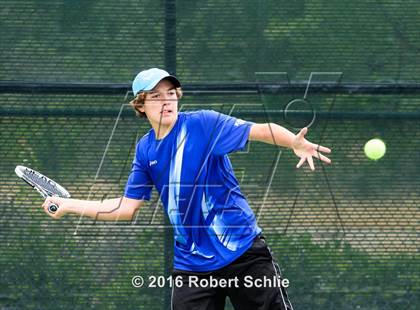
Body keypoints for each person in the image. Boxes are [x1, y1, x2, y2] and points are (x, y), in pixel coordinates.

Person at [42, 68, 331, 310]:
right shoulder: (145, 150)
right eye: (155, 96)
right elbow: (126, 208)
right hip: (192, 265)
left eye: (170, 93)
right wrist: (69, 205)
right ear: (140, 106)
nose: (166, 100)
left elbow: (259, 129)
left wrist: (293, 141)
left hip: (243, 253)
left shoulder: (203, 123)